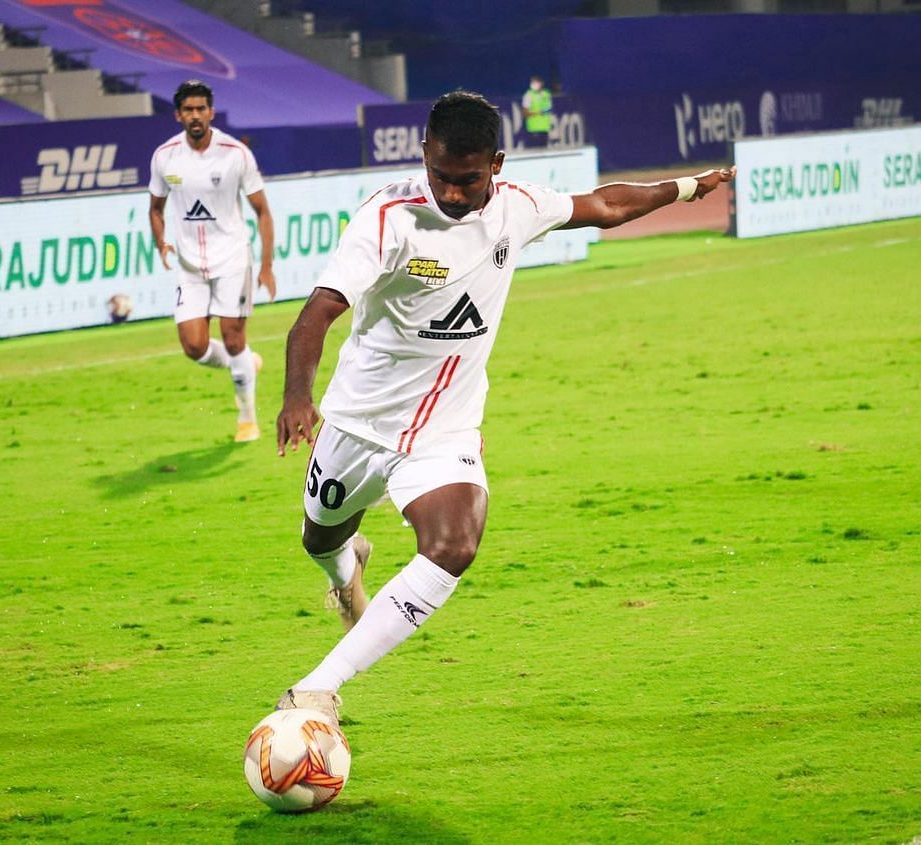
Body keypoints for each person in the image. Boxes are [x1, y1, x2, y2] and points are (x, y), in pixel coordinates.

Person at [272, 91, 735, 723]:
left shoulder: (516, 207)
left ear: (497, 162)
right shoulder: (387, 218)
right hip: (357, 423)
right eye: (440, 176)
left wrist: (686, 186)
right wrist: (297, 396)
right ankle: (344, 568)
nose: (453, 194)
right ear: (425, 156)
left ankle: (315, 690)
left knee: (454, 543)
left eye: (467, 181)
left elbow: (607, 204)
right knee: (320, 536)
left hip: (444, 428)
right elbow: (317, 315)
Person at [149, 80, 277, 443]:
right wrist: (161, 242)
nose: (194, 115)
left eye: (200, 108)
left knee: (234, 338)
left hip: (232, 259)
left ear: (210, 112)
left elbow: (262, 212)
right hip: (190, 266)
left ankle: (247, 420)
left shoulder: (235, 154)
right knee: (193, 346)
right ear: (178, 115)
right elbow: (155, 209)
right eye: (187, 110)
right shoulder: (165, 157)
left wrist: (266, 266)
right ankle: (245, 365)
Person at [521, 75, 553, 147]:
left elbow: (549, 109)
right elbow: (525, 113)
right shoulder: (528, 95)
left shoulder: (546, 94)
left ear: (541, 83)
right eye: (533, 82)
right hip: (533, 130)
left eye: (536, 82)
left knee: (544, 151)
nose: (535, 84)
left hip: (544, 129)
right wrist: (539, 112)